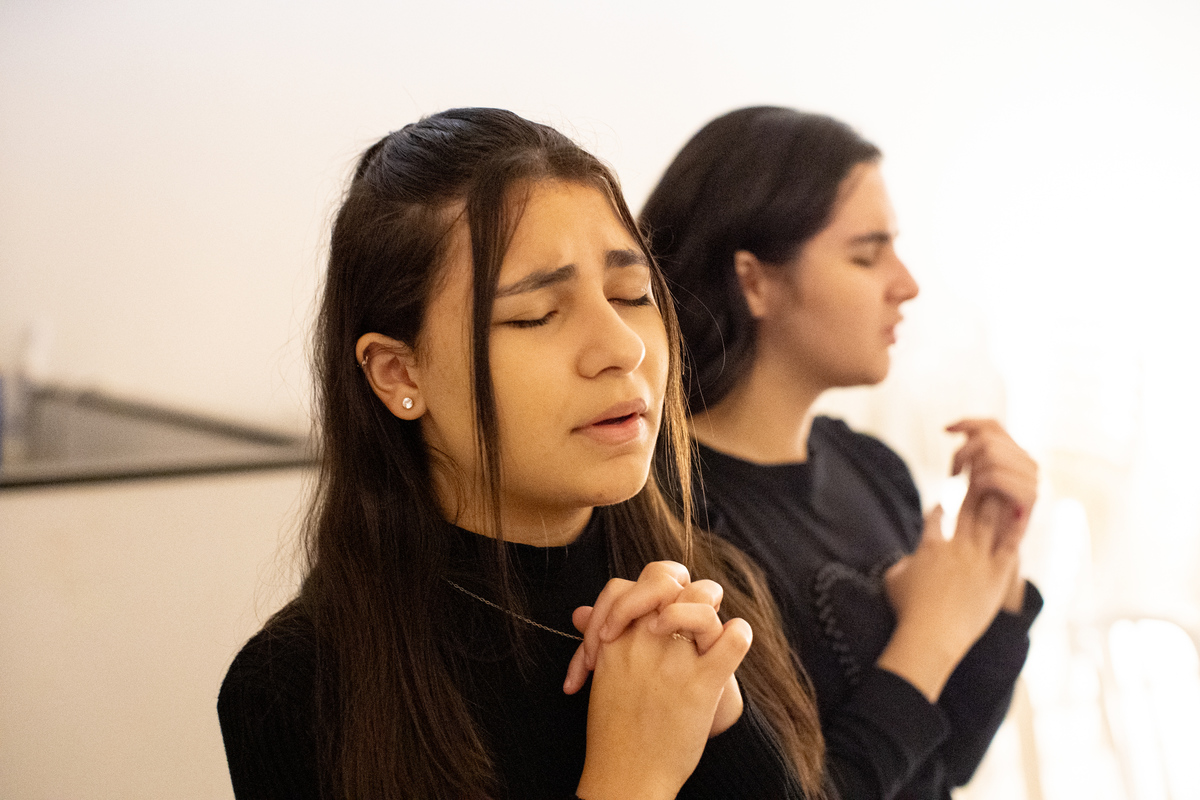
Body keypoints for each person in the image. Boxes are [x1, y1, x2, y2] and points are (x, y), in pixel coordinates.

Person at [216, 108, 830, 800]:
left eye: (632, 294)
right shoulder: (298, 689)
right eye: (537, 315)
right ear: (399, 374)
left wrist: (726, 735)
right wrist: (632, 777)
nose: (622, 347)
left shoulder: (710, 595)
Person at [639, 106, 1043, 799]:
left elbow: (944, 765)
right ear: (756, 281)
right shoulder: (668, 513)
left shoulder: (871, 466)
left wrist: (992, 565)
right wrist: (930, 635)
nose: (907, 283)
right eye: (866, 254)